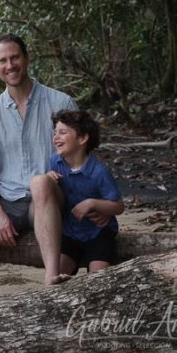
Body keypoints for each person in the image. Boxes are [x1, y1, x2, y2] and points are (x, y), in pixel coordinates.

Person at [0, 33, 77, 299]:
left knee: (40, 182)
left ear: (26, 58)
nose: (10, 65)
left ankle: (51, 278)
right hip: (9, 199)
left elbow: (79, 158)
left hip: (52, 195)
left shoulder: (61, 103)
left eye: (15, 57)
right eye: (3, 61)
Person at [47, 109, 124, 275]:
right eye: (55, 133)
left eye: (62, 133)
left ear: (82, 138)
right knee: (58, 272)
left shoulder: (99, 172)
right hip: (70, 232)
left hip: (99, 233)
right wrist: (49, 178)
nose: (56, 137)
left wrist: (93, 203)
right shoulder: (55, 161)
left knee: (98, 277)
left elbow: (118, 206)